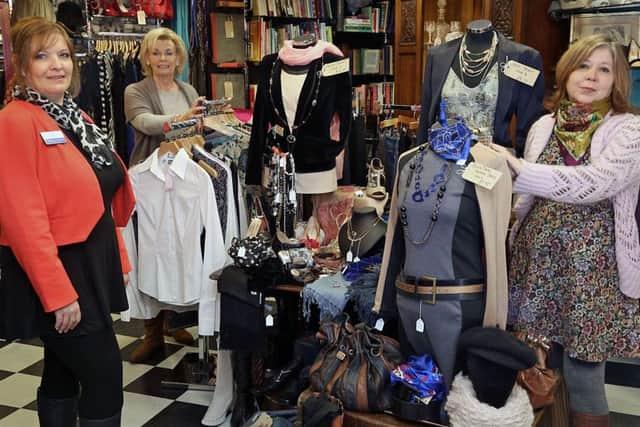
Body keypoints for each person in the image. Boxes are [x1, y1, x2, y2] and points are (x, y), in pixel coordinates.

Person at [493, 34, 640, 426]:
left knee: (583, 372)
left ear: (617, 80)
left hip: (591, 273)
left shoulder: (629, 130)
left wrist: (519, 170)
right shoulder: (543, 126)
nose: (591, 76)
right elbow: (525, 200)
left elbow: (595, 183)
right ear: (566, 71)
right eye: (583, 66)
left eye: (604, 69)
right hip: (537, 265)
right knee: (536, 364)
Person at [0, 17, 135, 426]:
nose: (57, 64)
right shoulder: (15, 120)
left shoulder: (73, 117)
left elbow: (98, 193)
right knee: (104, 374)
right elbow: (22, 217)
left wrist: (121, 259)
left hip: (91, 263)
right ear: (22, 66)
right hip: (57, 272)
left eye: (63, 54)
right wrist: (57, 293)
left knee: (63, 367)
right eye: (42, 56)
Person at [124, 27, 203, 363]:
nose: (162, 59)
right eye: (156, 53)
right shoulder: (135, 89)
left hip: (184, 178)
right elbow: (143, 122)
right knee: (151, 251)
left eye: (168, 53)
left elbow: (197, 127)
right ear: (146, 57)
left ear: (179, 57)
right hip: (150, 180)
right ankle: (152, 332)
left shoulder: (188, 89)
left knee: (181, 250)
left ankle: (175, 320)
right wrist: (181, 119)